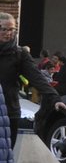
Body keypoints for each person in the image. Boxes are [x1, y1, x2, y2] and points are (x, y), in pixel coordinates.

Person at [0, 11, 58, 144]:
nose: (8, 33)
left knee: (6, 156)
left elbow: (37, 77)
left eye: (12, 29)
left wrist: (54, 98)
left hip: (9, 111)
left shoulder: (19, 54)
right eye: (4, 29)